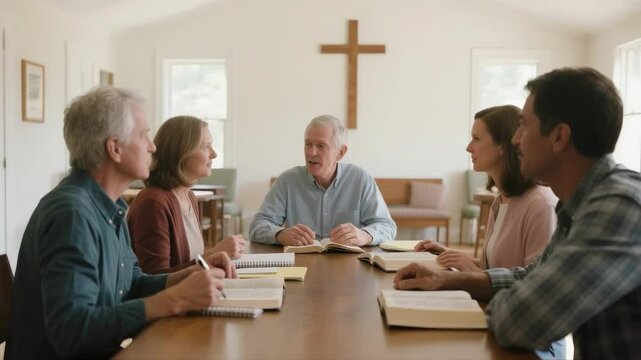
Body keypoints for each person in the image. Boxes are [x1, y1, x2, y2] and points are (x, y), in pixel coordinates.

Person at [394, 67, 641, 359]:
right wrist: (445, 280)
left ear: (559, 137)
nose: (515, 139)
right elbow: (529, 275)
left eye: (524, 126)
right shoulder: (578, 202)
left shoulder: (620, 204)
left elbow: (523, 320)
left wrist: (490, 293)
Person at [5, 87, 235, 359]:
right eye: (143, 135)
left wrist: (186, 276)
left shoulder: (110, 206)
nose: (153, 146)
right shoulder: (72, 214)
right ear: (114, 148)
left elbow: (131, 284)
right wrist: (174, 299)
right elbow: (72, 331)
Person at [414, 105, 557, 271]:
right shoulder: (500, 201)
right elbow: (493, 267)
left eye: (476, 138)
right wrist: (448, 254)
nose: (469, 147)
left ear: (503, 146)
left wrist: (471, 269)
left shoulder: (541, 206)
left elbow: (535, 285)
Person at [249, 115, 396, 246]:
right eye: (308, 144)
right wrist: (280, 235)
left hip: (348, 265)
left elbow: (387, 226)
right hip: (301, 265)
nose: (311, 153)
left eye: (321, 146)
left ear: (340, 153)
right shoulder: (287, 181)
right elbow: (257, 226)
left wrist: (365, 236)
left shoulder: (360, 179)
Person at [127, 115, 246, 274]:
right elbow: (156, 279)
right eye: (205, 147)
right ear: (181, 152)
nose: (214, 154)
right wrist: (214, 254)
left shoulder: (188, 196)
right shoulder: (153, 203)